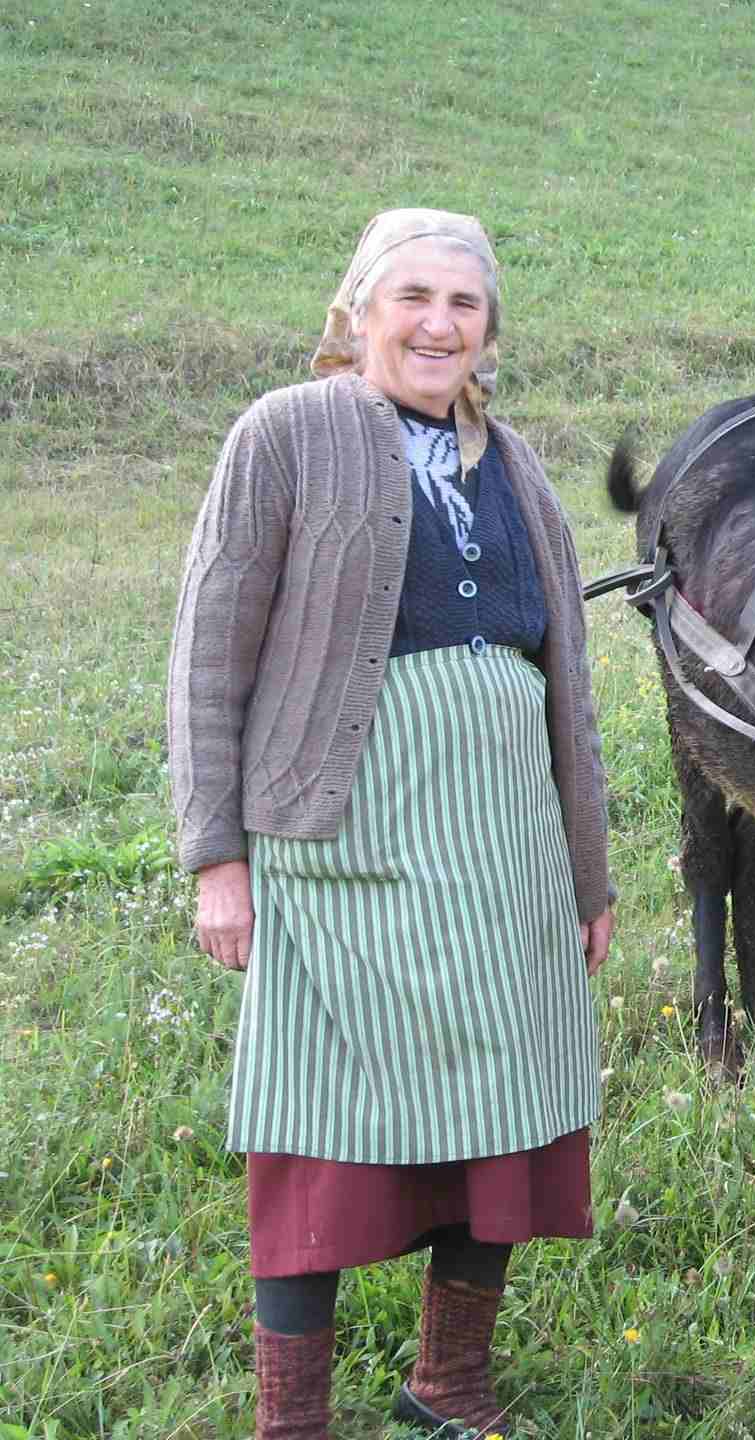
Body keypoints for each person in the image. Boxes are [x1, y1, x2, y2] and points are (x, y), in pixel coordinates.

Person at [168, 208, 615, 1438]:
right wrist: (217, 857)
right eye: (412, 296)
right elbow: (209, 650)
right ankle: (293, 1424)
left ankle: (449, 1385)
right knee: (317, 1118)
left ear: (489, 329)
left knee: (508, 1098)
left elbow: (567, 684)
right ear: (358, 310)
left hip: (505, 844)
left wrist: (585, 875)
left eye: (464, 303)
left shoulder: (515, 464)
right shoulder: (284, 433)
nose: (437, 324)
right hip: (340, 838)